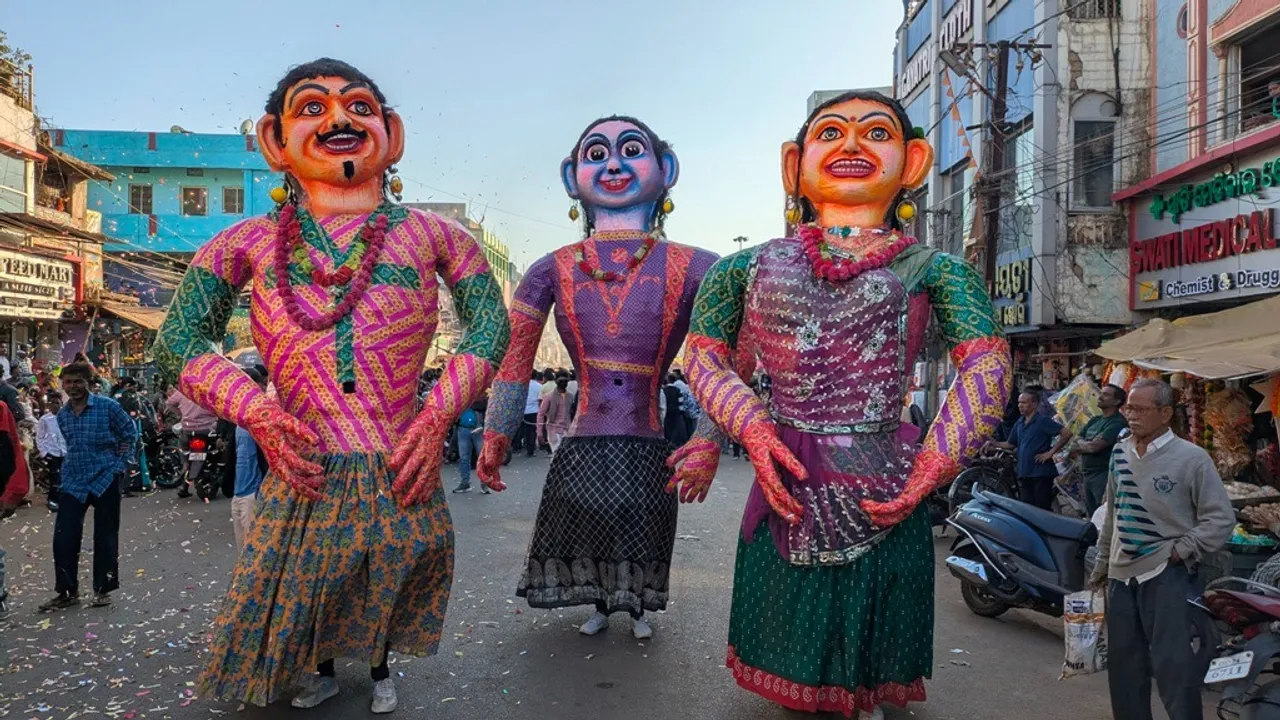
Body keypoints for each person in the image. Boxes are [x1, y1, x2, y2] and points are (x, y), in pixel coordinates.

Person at [153, 58, 509, 712]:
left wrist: (437, 414)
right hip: (305, 457)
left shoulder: (437, 237)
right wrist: (256, 411)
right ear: (274, 140)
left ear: (392, 134)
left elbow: (491, 324)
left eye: (359, 108)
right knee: (305, 579)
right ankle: (319, 670)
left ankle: (379, 671)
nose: (339, 119)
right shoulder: (245, 242)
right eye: (312, 108)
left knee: (386, 568)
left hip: (394, 453)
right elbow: (176, 340)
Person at [672, 90, 1010, 719]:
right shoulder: (744, 268)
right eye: (831, 133)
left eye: (875, 133)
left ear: (912, 162)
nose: (852, 145)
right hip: (785, 465)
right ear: (793, 164)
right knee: (789, 611)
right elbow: (706, 358)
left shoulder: (935, 270)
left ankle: (863, 693)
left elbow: (988, 365)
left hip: (885, 472)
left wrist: (932, 466)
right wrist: (739, 431)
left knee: (873, 607)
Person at [477, 115, 721, 640]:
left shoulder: (701, 268)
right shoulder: (550, 269)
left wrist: (710, 436)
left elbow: (727, 359)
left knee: (642, 520)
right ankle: (598, 603)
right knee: (586, 520)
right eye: (596, 154)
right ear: (572, 178)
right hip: (585, 435)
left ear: (666, 168)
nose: (612, 165)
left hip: (646, 436)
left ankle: (635, 608)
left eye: (630, 150)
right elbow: (515, 359)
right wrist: (496, 432)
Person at [1088, 379, 1234, 720]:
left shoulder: (1192, 458)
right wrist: (1102, 566)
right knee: (1124, 667)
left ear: (1166, 413)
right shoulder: (1119, 453)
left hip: (1167, 574)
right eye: (1129, 408)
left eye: (1141, 410)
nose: (1131, 416)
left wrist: (1182, 549)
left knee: (1173, 666)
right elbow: (1112, 514)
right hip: (1121, 575)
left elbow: (1221, 518)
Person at [39, 362, 136, 612]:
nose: (73, 387)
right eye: (68, 382)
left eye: (78, 381)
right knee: (64, 537)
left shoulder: (108, 407)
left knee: (105, 535)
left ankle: (102, 589)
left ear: (89, 383)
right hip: (74, 480)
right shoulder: (63, 416)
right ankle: (67, 591)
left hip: (105, 477)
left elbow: (129, 433)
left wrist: (119, 465)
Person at [989, 388, 1070, 510]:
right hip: (1024, 472)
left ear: (1034, 404)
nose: (1020, 406)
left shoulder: (1042, 420)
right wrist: (994, 444)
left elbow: (1066, 433)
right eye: (1019, 403)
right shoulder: (1020, 422)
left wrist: (1050, 453)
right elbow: (1010, 444)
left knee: (1042, 510)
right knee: (1027, 510)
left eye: (1024, 402)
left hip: (1040, 473)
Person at [1072, 383, 1128, 517]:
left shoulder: (1117, 422)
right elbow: (1075, 441)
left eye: (1106, 395)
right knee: (1091, 514)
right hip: (1087, 474)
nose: (1100, 397)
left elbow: (1094, 447)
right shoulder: (1095, 420)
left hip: (1103, 474)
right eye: (1101, 393)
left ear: (1117, 401)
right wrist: (1086, 444)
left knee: (1102, 514)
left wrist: (1085, 444)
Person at [231, 367, 269, 551]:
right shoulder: (237, 418)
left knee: (252, 551)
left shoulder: (262, 416)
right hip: (238, 493)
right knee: (242, 551)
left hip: (253, 494)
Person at [165, 386, 218, 498]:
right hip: (207, 429)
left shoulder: (185, 391)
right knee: (218, 446)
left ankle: (184, 472)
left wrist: (182, 413)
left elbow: (169, 403)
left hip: (188, 430)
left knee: (185, 453)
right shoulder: (210, 391)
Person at [452, 394, 489, 494]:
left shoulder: (480, 393)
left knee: (481, 457)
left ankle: (484, 483)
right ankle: (465, 482)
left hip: (478, 428)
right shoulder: (458, 394)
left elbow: (485, 405)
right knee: (464, 457)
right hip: (463, 428)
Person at [36, 393, 66, 511]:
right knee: (54, 477)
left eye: (57, 403)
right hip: (51, 452)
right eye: (52, 403)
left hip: (64, 452)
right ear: (48, 405)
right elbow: (39, 437)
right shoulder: (44, 420)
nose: (55, 405)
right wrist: (44, 453)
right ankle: (52, 500)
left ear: (61, 404)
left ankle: (63, 500)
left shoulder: (66, 417)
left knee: (64, 476)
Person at [538, 374, 572, 454]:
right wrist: (539, 433)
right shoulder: (549, 397)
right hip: (554, 431)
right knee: (557, 456)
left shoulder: (570, 396)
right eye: (561, 381)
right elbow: (541, 414)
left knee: (566, 456)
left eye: (565, 381)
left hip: (567, 430)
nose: (563, 383)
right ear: (556, 381)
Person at [520, 370, 541, 457]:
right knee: (532, 430)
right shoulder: (539, 386)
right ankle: (531, 449)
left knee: (523, 429)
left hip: (524, 410)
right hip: (535, 410)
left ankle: (523, 445)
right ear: (536, 376)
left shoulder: (523, 385)